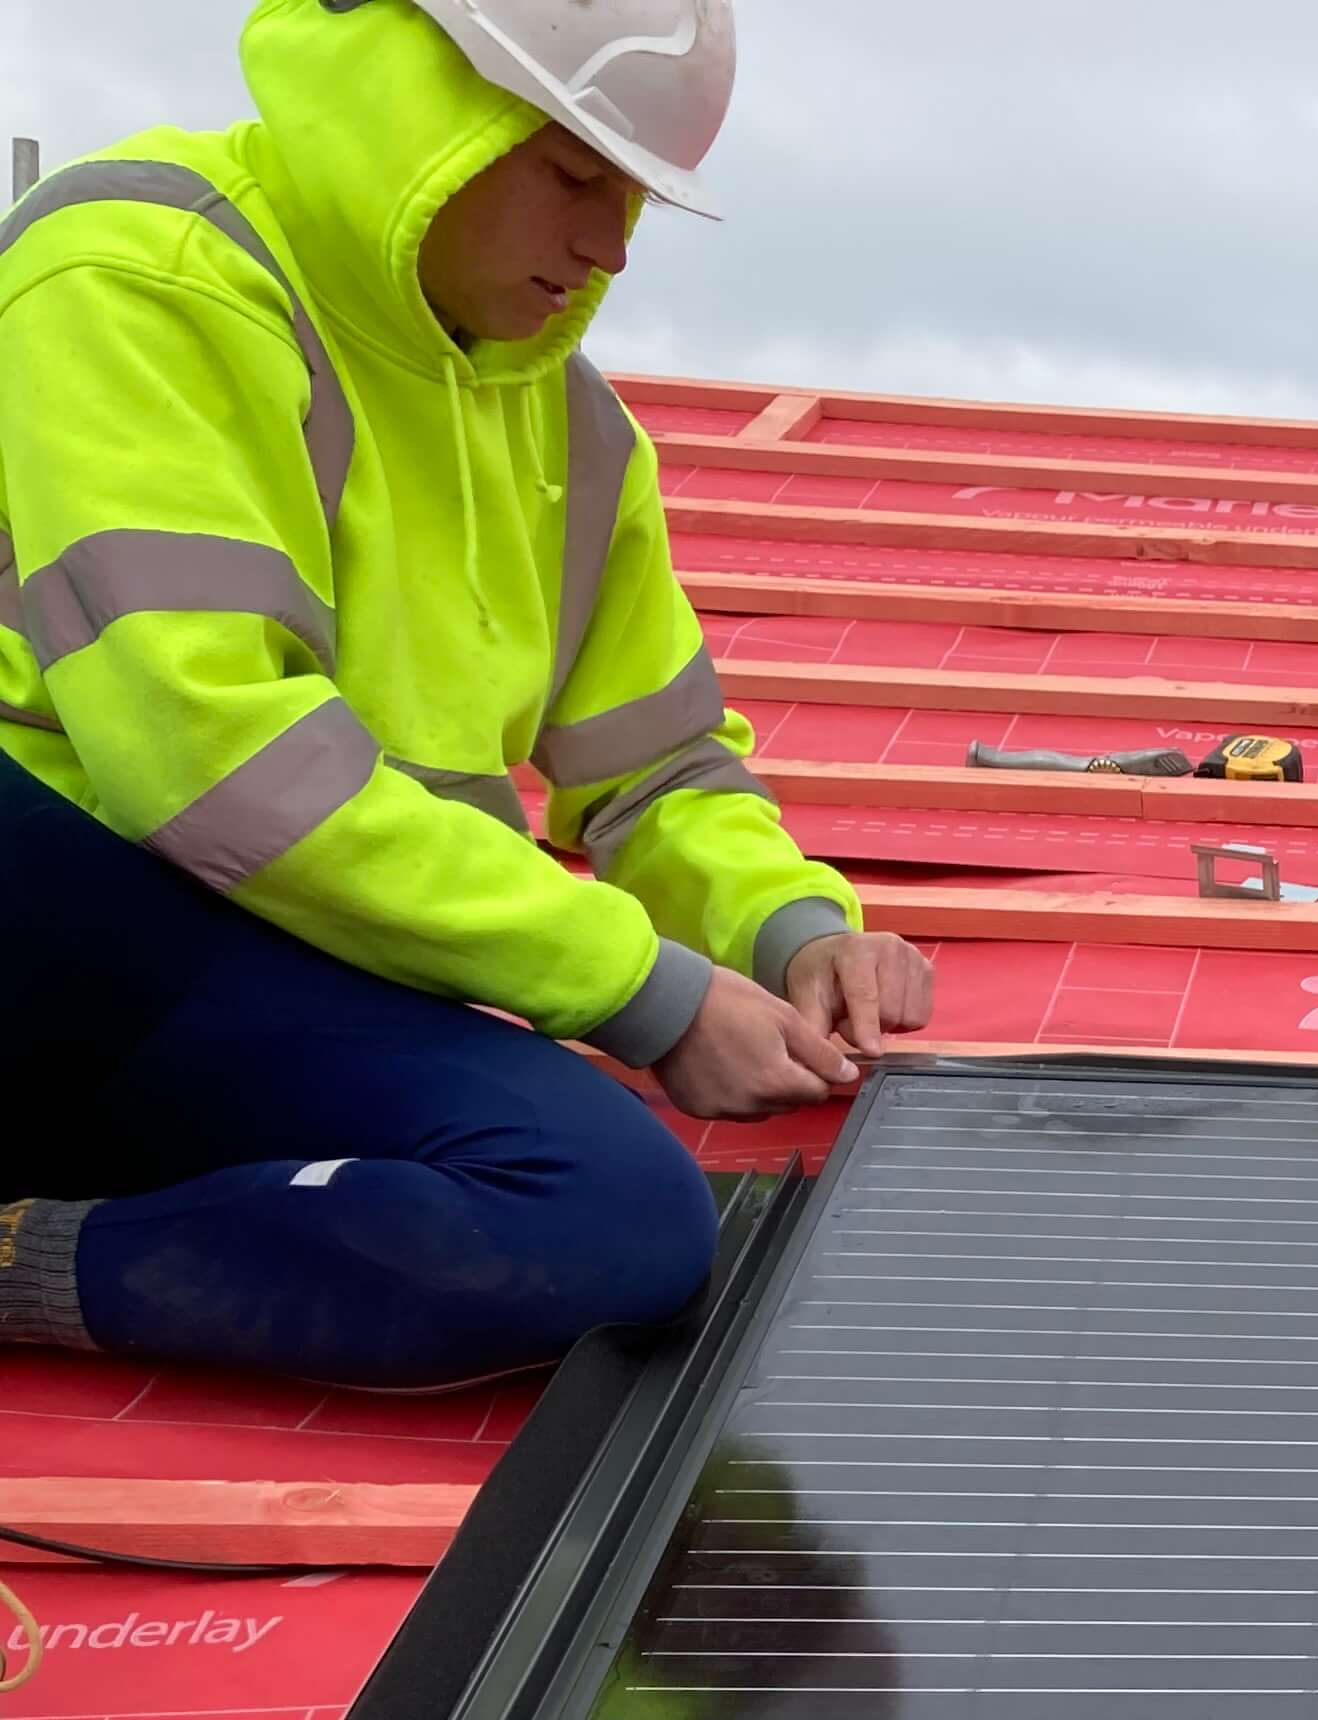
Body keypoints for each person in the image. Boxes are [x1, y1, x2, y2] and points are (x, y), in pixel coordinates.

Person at [0, 0, 930, 1393]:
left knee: (612, 1220)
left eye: (635, 199)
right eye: (571, 174)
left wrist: (786, 927)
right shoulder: (141, 269)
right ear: (430, 114)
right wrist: (644, 995)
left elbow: (662, 766)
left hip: (296, 958)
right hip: (76, 913)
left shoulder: (572, 430)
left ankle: (35, 1254)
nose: (609, 245)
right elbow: (210, 761)